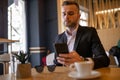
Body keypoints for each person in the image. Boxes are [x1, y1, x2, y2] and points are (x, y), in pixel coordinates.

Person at [54, 1, 110, 69]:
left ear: (78, 16)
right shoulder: (58, 37)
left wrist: (83, 61)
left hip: (83, 75)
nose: (66, 17)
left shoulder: (90, 32)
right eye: (64, 14)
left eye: (70, 13)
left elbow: (104, 60)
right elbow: (56, 63)